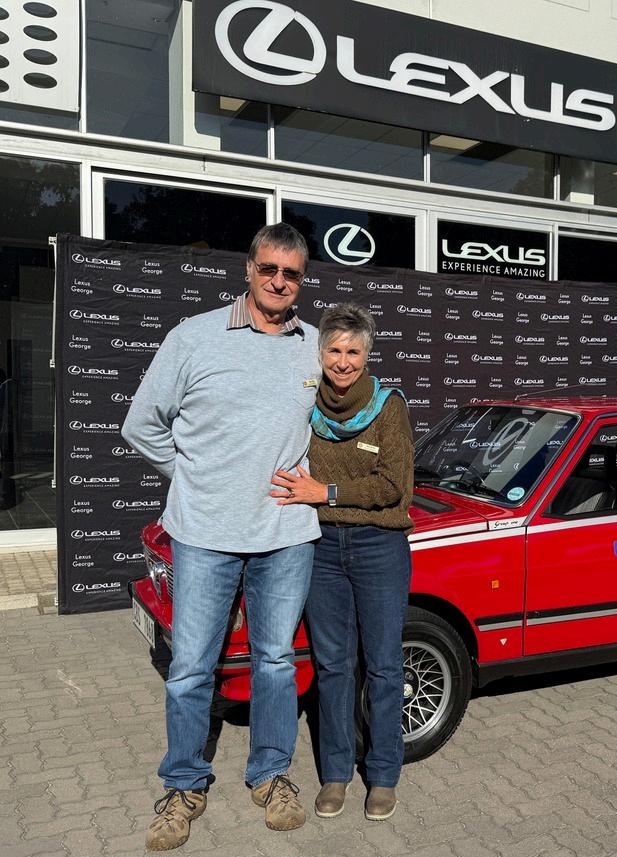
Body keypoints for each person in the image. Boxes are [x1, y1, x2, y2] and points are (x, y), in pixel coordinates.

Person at [122, 223, 321, 851]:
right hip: (204, 534)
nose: (278, 282)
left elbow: (337, 430)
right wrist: (192, 477)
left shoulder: (315, 347)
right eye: (269, 269)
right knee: (190, 668)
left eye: (291, 273)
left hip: (285, 534)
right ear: (248, 269)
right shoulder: (195, 337)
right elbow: (141, 424)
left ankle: (271, 775)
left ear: (302, 280)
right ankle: (183, 784)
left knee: (275, 662)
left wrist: (324, 487)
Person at [270, 303, 414, 823]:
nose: (343, 361)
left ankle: (383, 775)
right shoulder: (306, 404)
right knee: (333, 666)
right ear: (321, 352)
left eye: (353, 351)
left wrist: (325, 492)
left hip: (379, 546)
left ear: (366, 354)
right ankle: (335, 773)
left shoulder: (388, 406)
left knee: (383, 666)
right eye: (334, 349)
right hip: (322, 547)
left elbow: (393, 486)